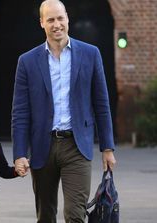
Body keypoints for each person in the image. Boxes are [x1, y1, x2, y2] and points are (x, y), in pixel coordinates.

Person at [11, 0, 117, 222]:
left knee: (75, 215)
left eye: (60, 18)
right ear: (42, 23)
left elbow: (101, 104)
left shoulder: (91, 54)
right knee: (46, 216)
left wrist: (107, 147)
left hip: (77, 146)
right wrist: (20, 153)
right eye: (50, 20)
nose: (56, 24)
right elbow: (20, 113)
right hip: (42, 146)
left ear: (67, 18)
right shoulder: (27, 61)